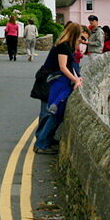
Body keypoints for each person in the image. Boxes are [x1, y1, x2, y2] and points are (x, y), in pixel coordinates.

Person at [34, 22, 82, 154]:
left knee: (50, 113)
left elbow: (70, 65)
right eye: (80, 37)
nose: (81, 40)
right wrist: (75, 79)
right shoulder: (63, 46)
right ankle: (41, 142)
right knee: (50, 113)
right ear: (75, 35)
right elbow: (63, 67)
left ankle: (44, 139)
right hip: (51, 82)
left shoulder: (65, 46)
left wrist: (77, 76)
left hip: (53, 81)